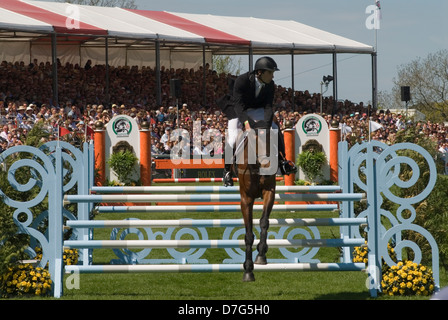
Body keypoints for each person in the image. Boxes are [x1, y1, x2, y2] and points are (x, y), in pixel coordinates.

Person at [221, 56, 296, 187]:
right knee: (232, 139)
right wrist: (247, 124)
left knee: (275, 128)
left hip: (257, 109)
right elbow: (239, 106)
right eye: (270, 73)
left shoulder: (270, 85)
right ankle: (227, 171)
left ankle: (282, 161)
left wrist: (266, 126)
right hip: (238, 110)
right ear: (260, 72)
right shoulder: (242, 81)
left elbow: (268, 106)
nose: (272, 76)